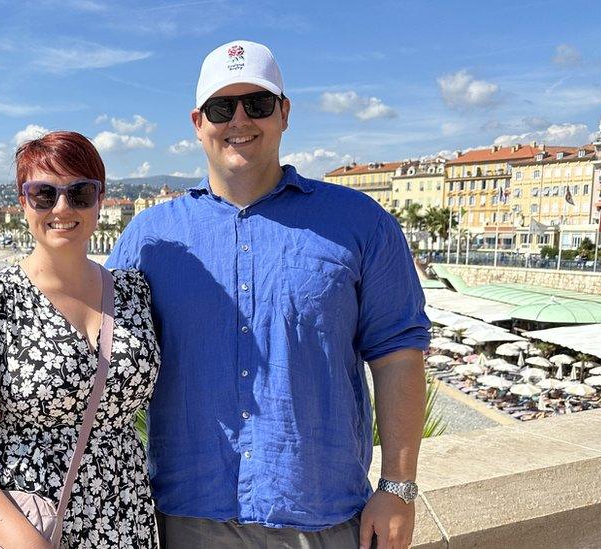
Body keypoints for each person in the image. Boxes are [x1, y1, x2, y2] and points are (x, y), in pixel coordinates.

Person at [107, 41, 430, 549]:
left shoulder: (361, 224)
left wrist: (398, 487)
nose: (239, 120)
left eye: (257, 103)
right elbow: (100, 364)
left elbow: (399, 357)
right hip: (185, 517)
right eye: (221, 107)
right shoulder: (149, 237)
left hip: (322, 515)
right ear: (198, 122)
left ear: (284, 112)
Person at [0, 131, 160, 548]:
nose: (62, 208)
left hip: (126, 520)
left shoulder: (134, 293)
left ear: (100, 200)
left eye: (80, 193)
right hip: (28, 522)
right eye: (43, 194)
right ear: (23, 202)